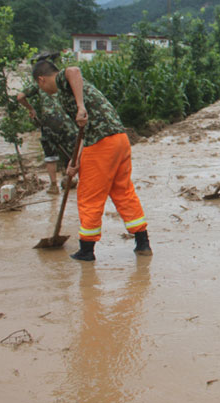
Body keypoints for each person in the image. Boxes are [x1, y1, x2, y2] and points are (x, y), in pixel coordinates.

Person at [31, 58, 151, 262]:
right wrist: (74, 162)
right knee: (123, 191)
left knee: (89, 195)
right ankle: (143, 243)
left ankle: (86, 251)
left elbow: (74, 70)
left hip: (101, 144)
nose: (42, 90)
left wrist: (80, 107)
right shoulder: (70, 91)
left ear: (41, 80)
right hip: (119, 140)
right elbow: (83, 134)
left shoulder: (62, 80)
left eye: (39, 86)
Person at [17, 83, 79, 194]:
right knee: (74, 151)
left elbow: (20, 97)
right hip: (66, 119)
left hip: (48, 120)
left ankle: (53, 186)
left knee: (50, 154)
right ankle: (72, 179)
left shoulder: (40, 83)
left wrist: (31, 109)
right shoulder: (63, 81)